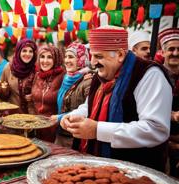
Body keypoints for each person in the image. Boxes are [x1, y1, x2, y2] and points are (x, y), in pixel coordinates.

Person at [60, 26, 172, 172]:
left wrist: (97, 130)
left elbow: (156, 129)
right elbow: (89, 106)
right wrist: (73, 117)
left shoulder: (149, 75)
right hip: (98, 167)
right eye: (92, 55)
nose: (93, 63)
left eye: (99, 56)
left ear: (119, 54)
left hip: (135, 174)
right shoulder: (99, 75)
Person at [51, 42, 92, 147]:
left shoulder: (88, 81)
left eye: (71, 57)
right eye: (66, 57)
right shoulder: (66, 77)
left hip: (74, 137)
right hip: (61, 133)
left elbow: (89, 111)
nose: (67, 60)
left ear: (81, 59)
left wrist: (60, 118)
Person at [31, 45, 65, 142]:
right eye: (42, 56)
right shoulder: (37, 75)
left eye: (49, 57)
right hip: (36, 126)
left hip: (54, 129)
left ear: (56, 59)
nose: (45, 61)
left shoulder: (63, 76)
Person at [158, 28, 179, 176]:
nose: (176, 53)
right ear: (163, 52)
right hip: (160, 144)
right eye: (171, 49)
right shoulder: (154, 75)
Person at [0, 39, 37, 113]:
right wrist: (3, 90)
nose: (27, 54)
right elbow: (1, 88)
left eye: (30, 51)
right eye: (24, 51)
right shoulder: (9, 68)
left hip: (33, 115)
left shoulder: (37, 70)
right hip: (13, 115)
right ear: (19, 52)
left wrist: (34, 96)